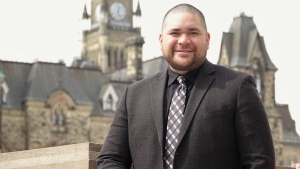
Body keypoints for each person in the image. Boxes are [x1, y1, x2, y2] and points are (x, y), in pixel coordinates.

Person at [97, 3, 275, 169]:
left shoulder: (237, 87)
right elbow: (111, 158)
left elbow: (258, 161)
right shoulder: (133, 95)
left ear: (207, 39)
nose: (183, 40)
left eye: (193, 33)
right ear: (161, 40)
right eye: (174, 33)